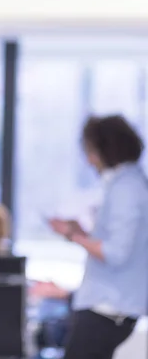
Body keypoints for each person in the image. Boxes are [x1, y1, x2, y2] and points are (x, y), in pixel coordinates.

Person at [48, 114, 148, 359]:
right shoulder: (127, 184)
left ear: (106, 149)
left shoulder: (127, 189)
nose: (89, 160)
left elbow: (116, 253)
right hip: (109, 307)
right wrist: (83, 234)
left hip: (108, 309)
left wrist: (73, 235)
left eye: (90, 151)